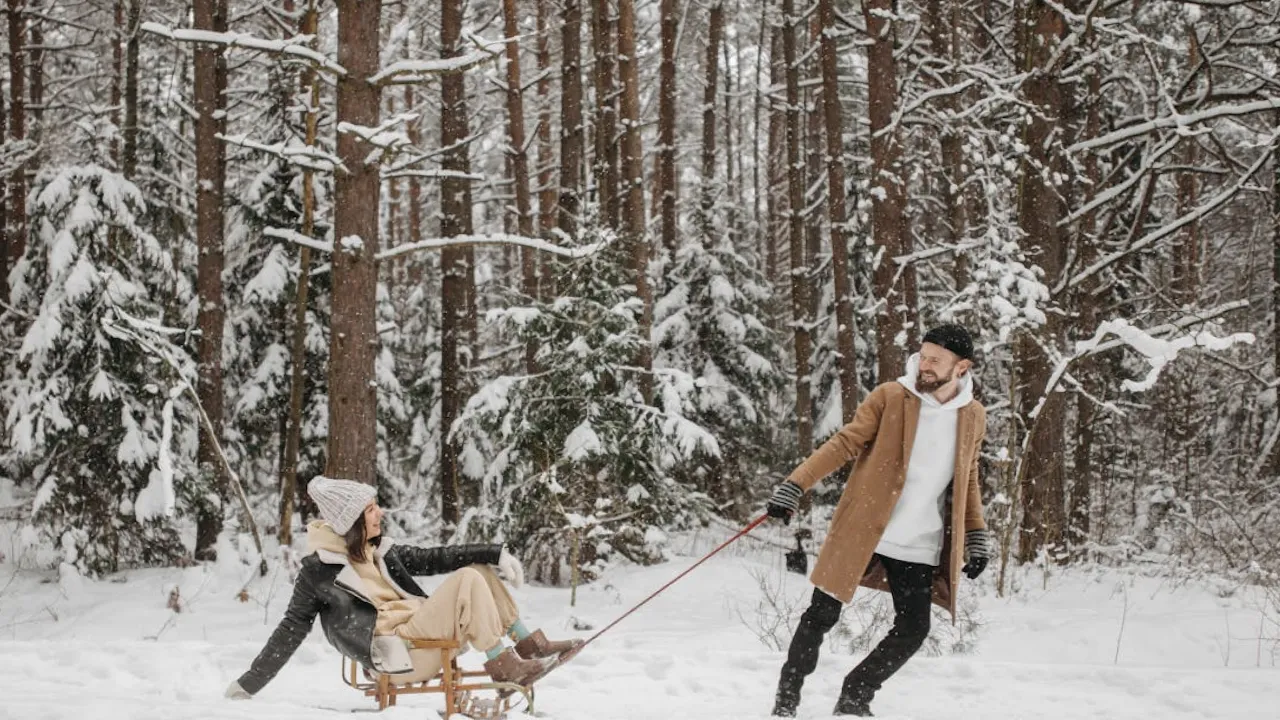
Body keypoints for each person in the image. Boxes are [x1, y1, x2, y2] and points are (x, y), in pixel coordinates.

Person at [765, 324, 993, 717]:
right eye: (923, 356)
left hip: (921, 543)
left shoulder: (972, 416)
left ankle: (855, 696)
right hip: (866, 532)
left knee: (913, 629)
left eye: (936, 360)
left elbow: (968, 478)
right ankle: (787, 699)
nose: (925, 365)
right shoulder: (891, 397)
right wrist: (795, 485)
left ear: (962, 367)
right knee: (821, 614)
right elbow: (845, 443)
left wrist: (976, 535)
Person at [225, 476, 582, 699]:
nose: (379, 513)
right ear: (350, 522)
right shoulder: (319, 572)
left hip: (419, 634)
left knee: (476, 569)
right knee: (468, 580)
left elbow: (436, 558)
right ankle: (501, 665)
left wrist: (494, 553)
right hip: (396, 653)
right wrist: (250, 683)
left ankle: (527, 646)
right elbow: (291, 628)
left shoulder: (379, 551)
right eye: (370, 510)